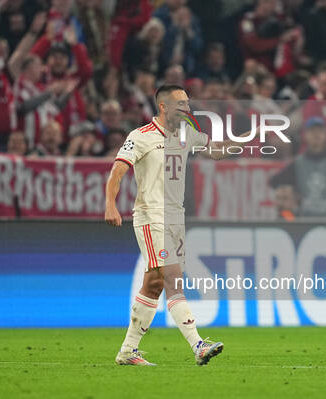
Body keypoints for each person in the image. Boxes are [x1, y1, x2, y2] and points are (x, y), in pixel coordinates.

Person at [105, 84, 254, 366]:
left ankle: (127, 351)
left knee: (154, 285)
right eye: (181, 104)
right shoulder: (141, 137)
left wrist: (247, 138)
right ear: (163, 107)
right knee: (173, 277)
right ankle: (197, 345)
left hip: (176, 219)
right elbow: (118, 170)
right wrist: (110, 204)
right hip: (151, 217)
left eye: (188, 103)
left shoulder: (186, 135)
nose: (187, 108)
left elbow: (217, 151)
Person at [270, 117, 326, 218]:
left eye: (320, 131)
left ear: (325, 134)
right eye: (312, 131)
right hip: (305, 222)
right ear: (305, 135)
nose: (316, 134)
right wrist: (292, 202)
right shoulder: (298, 164)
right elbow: (274, 182)